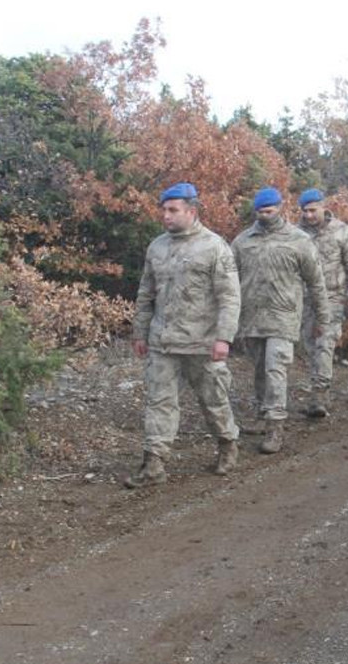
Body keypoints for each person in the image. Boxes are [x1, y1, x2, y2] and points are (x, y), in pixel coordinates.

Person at [127, 182, 242, 488]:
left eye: (172, 210)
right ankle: (154, 464)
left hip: (202, 341)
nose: (166, 215)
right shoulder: (157, 247)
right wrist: (140, 331)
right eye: (163, 209)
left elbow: (229, 297)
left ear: (191, 211)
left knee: (213, 399)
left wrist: (224, 338)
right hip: (163, 341)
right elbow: (145, 293)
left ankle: (228, 444)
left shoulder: (215, 247)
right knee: (159, 401)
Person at [233, 187, 330, 454]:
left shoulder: (299, 240)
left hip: (284, 317)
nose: (265, 216)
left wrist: (323, 317)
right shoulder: (242, 241)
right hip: (252, 318)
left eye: (270, 211)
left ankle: (276, 426)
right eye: (260, 212)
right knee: (260, 369)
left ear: (281, 208)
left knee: (276, 368)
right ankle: (262, 413)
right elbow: (228, 281)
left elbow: (316, 281)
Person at [297, 188, 348, 418]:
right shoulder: (296, 235)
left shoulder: (342, 231)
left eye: (312, 210)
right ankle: (318, 384)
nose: (308, 215)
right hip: (304, 299)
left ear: (323, 206)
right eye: (304, 211)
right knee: (309, 345)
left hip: (333, 297)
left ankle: (319, 395)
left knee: (324, 343)